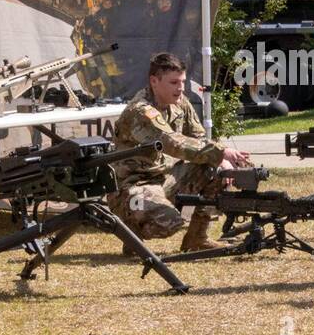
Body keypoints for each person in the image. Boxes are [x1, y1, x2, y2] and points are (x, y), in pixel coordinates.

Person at [108, 52, 252, 251]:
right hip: (132, 188)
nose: (181, 88)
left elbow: (199, 137)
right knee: (170, 222)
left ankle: (197, 239)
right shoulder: (141, 111)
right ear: (154, 81)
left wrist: (220, 161)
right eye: (174, 82)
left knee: (215, 171)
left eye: (182, 81)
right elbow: (172, 142)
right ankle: (131, 234)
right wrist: (220, 153)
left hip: (166, 179)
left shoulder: (180, 102)